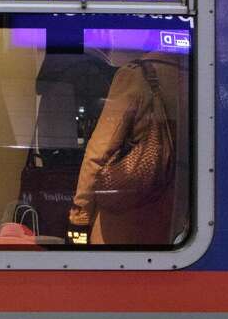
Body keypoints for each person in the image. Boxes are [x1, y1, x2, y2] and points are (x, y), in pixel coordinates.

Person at [69, 49, 187, 245]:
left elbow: (100, 152)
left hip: (128, 214)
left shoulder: (136, 75)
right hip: (173, 217)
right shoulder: (195, 78)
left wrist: (80, 215)